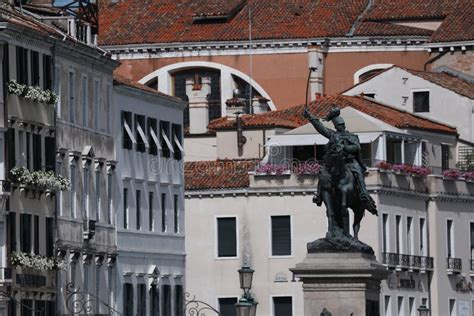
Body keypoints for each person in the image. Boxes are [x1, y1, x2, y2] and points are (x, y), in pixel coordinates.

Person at [303, 106, 369, 205]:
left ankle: (364, 193)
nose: (340, 126)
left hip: (350, 161)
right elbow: (321, 128)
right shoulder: (333, 135)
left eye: (341, 125)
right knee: (323, 173)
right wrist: (310, 117)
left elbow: (357, 147)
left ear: (344, 125)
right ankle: (318, 195)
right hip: (336, 162)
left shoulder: (352, 137)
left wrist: (345, 148)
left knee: (359, 173)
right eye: (338, 125)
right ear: (336, 126)